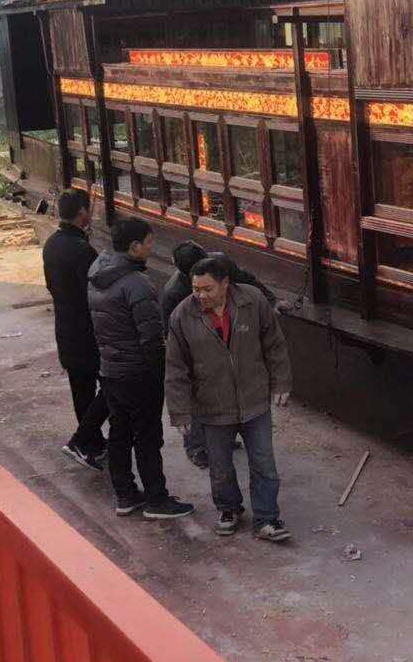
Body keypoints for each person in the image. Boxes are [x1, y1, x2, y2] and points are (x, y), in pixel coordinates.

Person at [165, 255, 292, 540]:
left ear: (225, 284)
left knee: (264, 464)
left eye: (207, 289)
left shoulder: (253, 301)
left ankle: (267, 519)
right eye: (196, 289)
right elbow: (175, 368)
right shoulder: (182, 315)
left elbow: (274, 344)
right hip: (212, 405)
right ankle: (228, 509)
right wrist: (180, 411)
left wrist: (281, 382)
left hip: (254, 401)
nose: (200, 295)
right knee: (220, 467)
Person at [88, 217, 193, 520]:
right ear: (134, 247)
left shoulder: (97, 273)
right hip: (138, 373)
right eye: (149, 243)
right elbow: (151, 338)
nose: (151, 248)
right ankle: (157, 499)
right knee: (147, 436)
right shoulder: (136, 284)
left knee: (119, 433)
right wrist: (162, 374)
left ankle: (125, 494)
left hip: (110, 369)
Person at [159, 241, 277, 469]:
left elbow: (247, 280)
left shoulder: (221, 265)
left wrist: (271, 301)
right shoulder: (174, 294)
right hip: (196, 350)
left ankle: (227, 434)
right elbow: (171, 334)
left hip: (227, 337)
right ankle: (196, 447)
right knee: (196, 397)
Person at [42, 188, 107, 471]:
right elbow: (94, 293)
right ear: (82, 213)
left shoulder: (52, 243)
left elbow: (51, 286)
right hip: (87, 332)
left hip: (66, 327)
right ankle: (81, 440)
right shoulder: (82, 250)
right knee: (113, 386)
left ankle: (93, 442)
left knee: (82, 390)